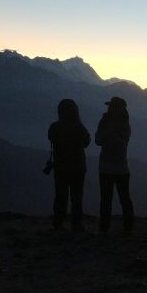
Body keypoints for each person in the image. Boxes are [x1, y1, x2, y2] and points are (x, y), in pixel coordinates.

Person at [47, 99, 90, 232]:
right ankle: (76, 224)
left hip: (60, 166)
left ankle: (58, 223)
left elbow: (50, 137)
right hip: (78, 167)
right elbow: (87, 142)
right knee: (76, 196)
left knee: (60, 195)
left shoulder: (54, 127)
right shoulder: (79, 128)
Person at [95, 96, 135, 235]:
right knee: (124, 198)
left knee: (106, 199)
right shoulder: (126, 126)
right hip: (122, 168)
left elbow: (98, 140)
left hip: (106, 167)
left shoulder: (106, 123)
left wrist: (106, 129)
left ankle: (104, 228)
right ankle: (128, 227)